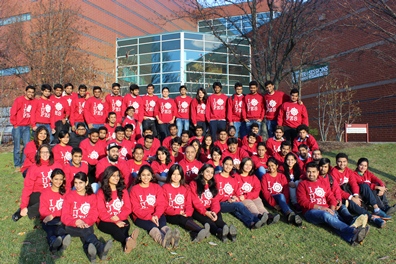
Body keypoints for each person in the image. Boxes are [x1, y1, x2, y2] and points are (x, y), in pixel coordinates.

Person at [297, 162, 370, 246]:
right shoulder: (302, 184)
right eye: (309, 172)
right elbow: (302, 201)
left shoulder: (322, 182)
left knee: (333, 220)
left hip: (327, 210)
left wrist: (332, 208)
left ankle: (351, 239)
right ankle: (353, 230)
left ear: (317, 172)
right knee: (326, 215)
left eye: (313, 172)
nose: (311, 174)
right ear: (306, 172)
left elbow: (330, 196)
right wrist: (322, 208)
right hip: (311, 212)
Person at [61, 172, 113, 262]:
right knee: (87, 231)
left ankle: (91, 254)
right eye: (76, 183)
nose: (78, 186)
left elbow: (94, 213)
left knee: (86, 231)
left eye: (80, 183)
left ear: (86, 182)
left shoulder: (91, 197)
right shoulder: (70, 196)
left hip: (86, 224)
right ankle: (100, 247)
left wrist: (86, 222)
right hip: (71, 226)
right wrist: (76, 222)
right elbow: (64, 216)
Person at [130, 165, 179, 248]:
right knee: (153, 227)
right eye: (143, 175)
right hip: (141, 216)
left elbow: (161, 203)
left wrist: (156, 215)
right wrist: (150, 217)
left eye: (148, 175)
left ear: (152, 176)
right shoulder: (134, 189)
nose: (146, 177)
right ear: (139, 176)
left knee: (163, 225)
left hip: (156, 213)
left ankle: (172, 238)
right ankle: (163, 241)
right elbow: (136, 209)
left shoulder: (156, 187)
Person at [13, 144, 62, 221]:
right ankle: (23, 211)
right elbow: (27, 188)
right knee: (46, 201)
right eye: (42, 152)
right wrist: (23, 206)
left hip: (54, 192)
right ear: (39, 154)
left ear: (50, 153)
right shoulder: (34, 167)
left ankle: (30, 210)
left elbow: (64, 181)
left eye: (47, 152)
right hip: (38, 193)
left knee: (57, 201)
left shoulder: (57, 165)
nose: (45, 154)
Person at [215, 157, 267, 230]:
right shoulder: (216, 177)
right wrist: (228, 199)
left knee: (236, 211)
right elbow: (214, 194)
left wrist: (234, 198)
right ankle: (256, 219)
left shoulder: (232, 178)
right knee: (239, 205)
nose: (228, 166)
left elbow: (236, 192)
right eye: (226, 164)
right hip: (220, 203)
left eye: (230, 165)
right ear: (222, 164)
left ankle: (250, 223)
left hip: (230, 201)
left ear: (232, 166)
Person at [97, 166, 139, 253]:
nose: (116, 178)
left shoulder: (123, 190)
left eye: (117, 175)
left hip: (121, 217)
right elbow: (101, 212)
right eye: (113, 176)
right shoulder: (101, 192)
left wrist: (119, 217)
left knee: (125, 225)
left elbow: (128, 208)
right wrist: (115, 220)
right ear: (107, 177)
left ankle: (127, 243)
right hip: (105, 221)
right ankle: (127, 240)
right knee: (115, 228)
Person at [163, 164, 210, 242]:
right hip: (171, 214)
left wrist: (187, 213)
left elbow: (189, 204)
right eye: (173, 174)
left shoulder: (186, 187)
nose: (176, 176)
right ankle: (200, 230)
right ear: (170, 175)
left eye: (178, 174)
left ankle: (195, 235)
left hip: (184, 213)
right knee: (181, 218)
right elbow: (164, 207)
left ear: (181, 176)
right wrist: (178, 212)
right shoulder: (165, 187)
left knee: (188, 219)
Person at [190, 164, 233, 242]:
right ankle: (219, 232)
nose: (209, 174)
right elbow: (195, 201)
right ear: (202, 172)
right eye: (207, 171)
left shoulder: (213, 184)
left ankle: (228, 231)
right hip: (198, 209)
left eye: (211, 173)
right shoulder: (194, 183)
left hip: (211, 207)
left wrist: (214, 211)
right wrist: (205, 212)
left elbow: (215, 200)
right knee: (208, 221)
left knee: (217, 219)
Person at [235, 158, 280, 224]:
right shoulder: (236, 176)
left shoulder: (253, 177)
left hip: (252, 196)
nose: (248, 167)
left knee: (259, 205)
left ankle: (268, 216)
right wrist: (243, 196)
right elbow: (235, 188)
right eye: (246, 164)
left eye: (250, 165)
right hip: (242, 197)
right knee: (251, 205)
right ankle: (259, 216)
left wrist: (248, 195)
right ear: (242, 165)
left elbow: (257, 190)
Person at [261, 157, 302, 226]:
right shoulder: (265, 177)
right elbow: (265, 192)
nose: (271, 168)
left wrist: (284, 202)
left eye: (272, 165)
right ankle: (292, 215)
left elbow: (286, 190)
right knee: (281, 196)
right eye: (269, 166)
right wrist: (274, 204)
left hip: (283, 200)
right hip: (272, 199)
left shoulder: (282, 176)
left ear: (277, 166)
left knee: (282, 196)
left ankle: (292, 217)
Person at [39, 169, 71, 253]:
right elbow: (42, 209)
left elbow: (67, 208)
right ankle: (53, 242)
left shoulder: (66, 192)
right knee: (50, 229)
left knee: (60, 226)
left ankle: (63, 239)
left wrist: (54, 214)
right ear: (51, 179)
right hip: (48, 219)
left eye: (61, 179)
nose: (58, 181)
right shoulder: (45, 192)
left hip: (61, 217)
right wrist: (49, 216)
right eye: (56, 179)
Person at [10, 85, 35, 172]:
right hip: (18, 126)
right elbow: (13, 112)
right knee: (17, 146)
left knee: (27, 146)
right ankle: (17, 164)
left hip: (27, 127)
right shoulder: (19, 100)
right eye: (29, 92)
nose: (30, 94)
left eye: (32, 92)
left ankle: (24, 163)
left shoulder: (33, 101)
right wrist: (14, 124)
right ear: (25, 92)